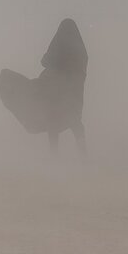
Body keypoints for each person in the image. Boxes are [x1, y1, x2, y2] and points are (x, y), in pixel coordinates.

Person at [39, 18, 88, 157]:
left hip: (56, 94)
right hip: (74, 96)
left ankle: (54, 157)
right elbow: (82, 70)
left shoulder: (58, 44)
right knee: (76, 124)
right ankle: (83, 155)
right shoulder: (80, 50)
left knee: (53, 123)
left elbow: (45, 61)